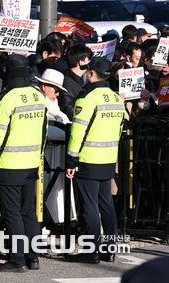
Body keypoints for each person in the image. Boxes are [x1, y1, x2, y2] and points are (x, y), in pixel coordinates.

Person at [0, 55, 48, 272]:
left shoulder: (6, 99)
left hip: (9, 164)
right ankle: (33, 257)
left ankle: (17, 259)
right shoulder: (38, 95)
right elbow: (44, 131)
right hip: (31, 162)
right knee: (27, 211)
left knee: (11, 212)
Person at [66, 57, 124, 264]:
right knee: (106, 204)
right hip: (108, 158)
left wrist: (71, 160)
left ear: (91, 74)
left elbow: (77, 132)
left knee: (89, 206)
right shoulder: (116, 98)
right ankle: (109, 249)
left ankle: (92, 251)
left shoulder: (88, 99)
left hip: (89, 159)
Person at [59, 44, 93, 120]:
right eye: (88, 60)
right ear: (81, 62)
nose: (90, 63)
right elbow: (68, 108)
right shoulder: (66, 82)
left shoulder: (81, 80)